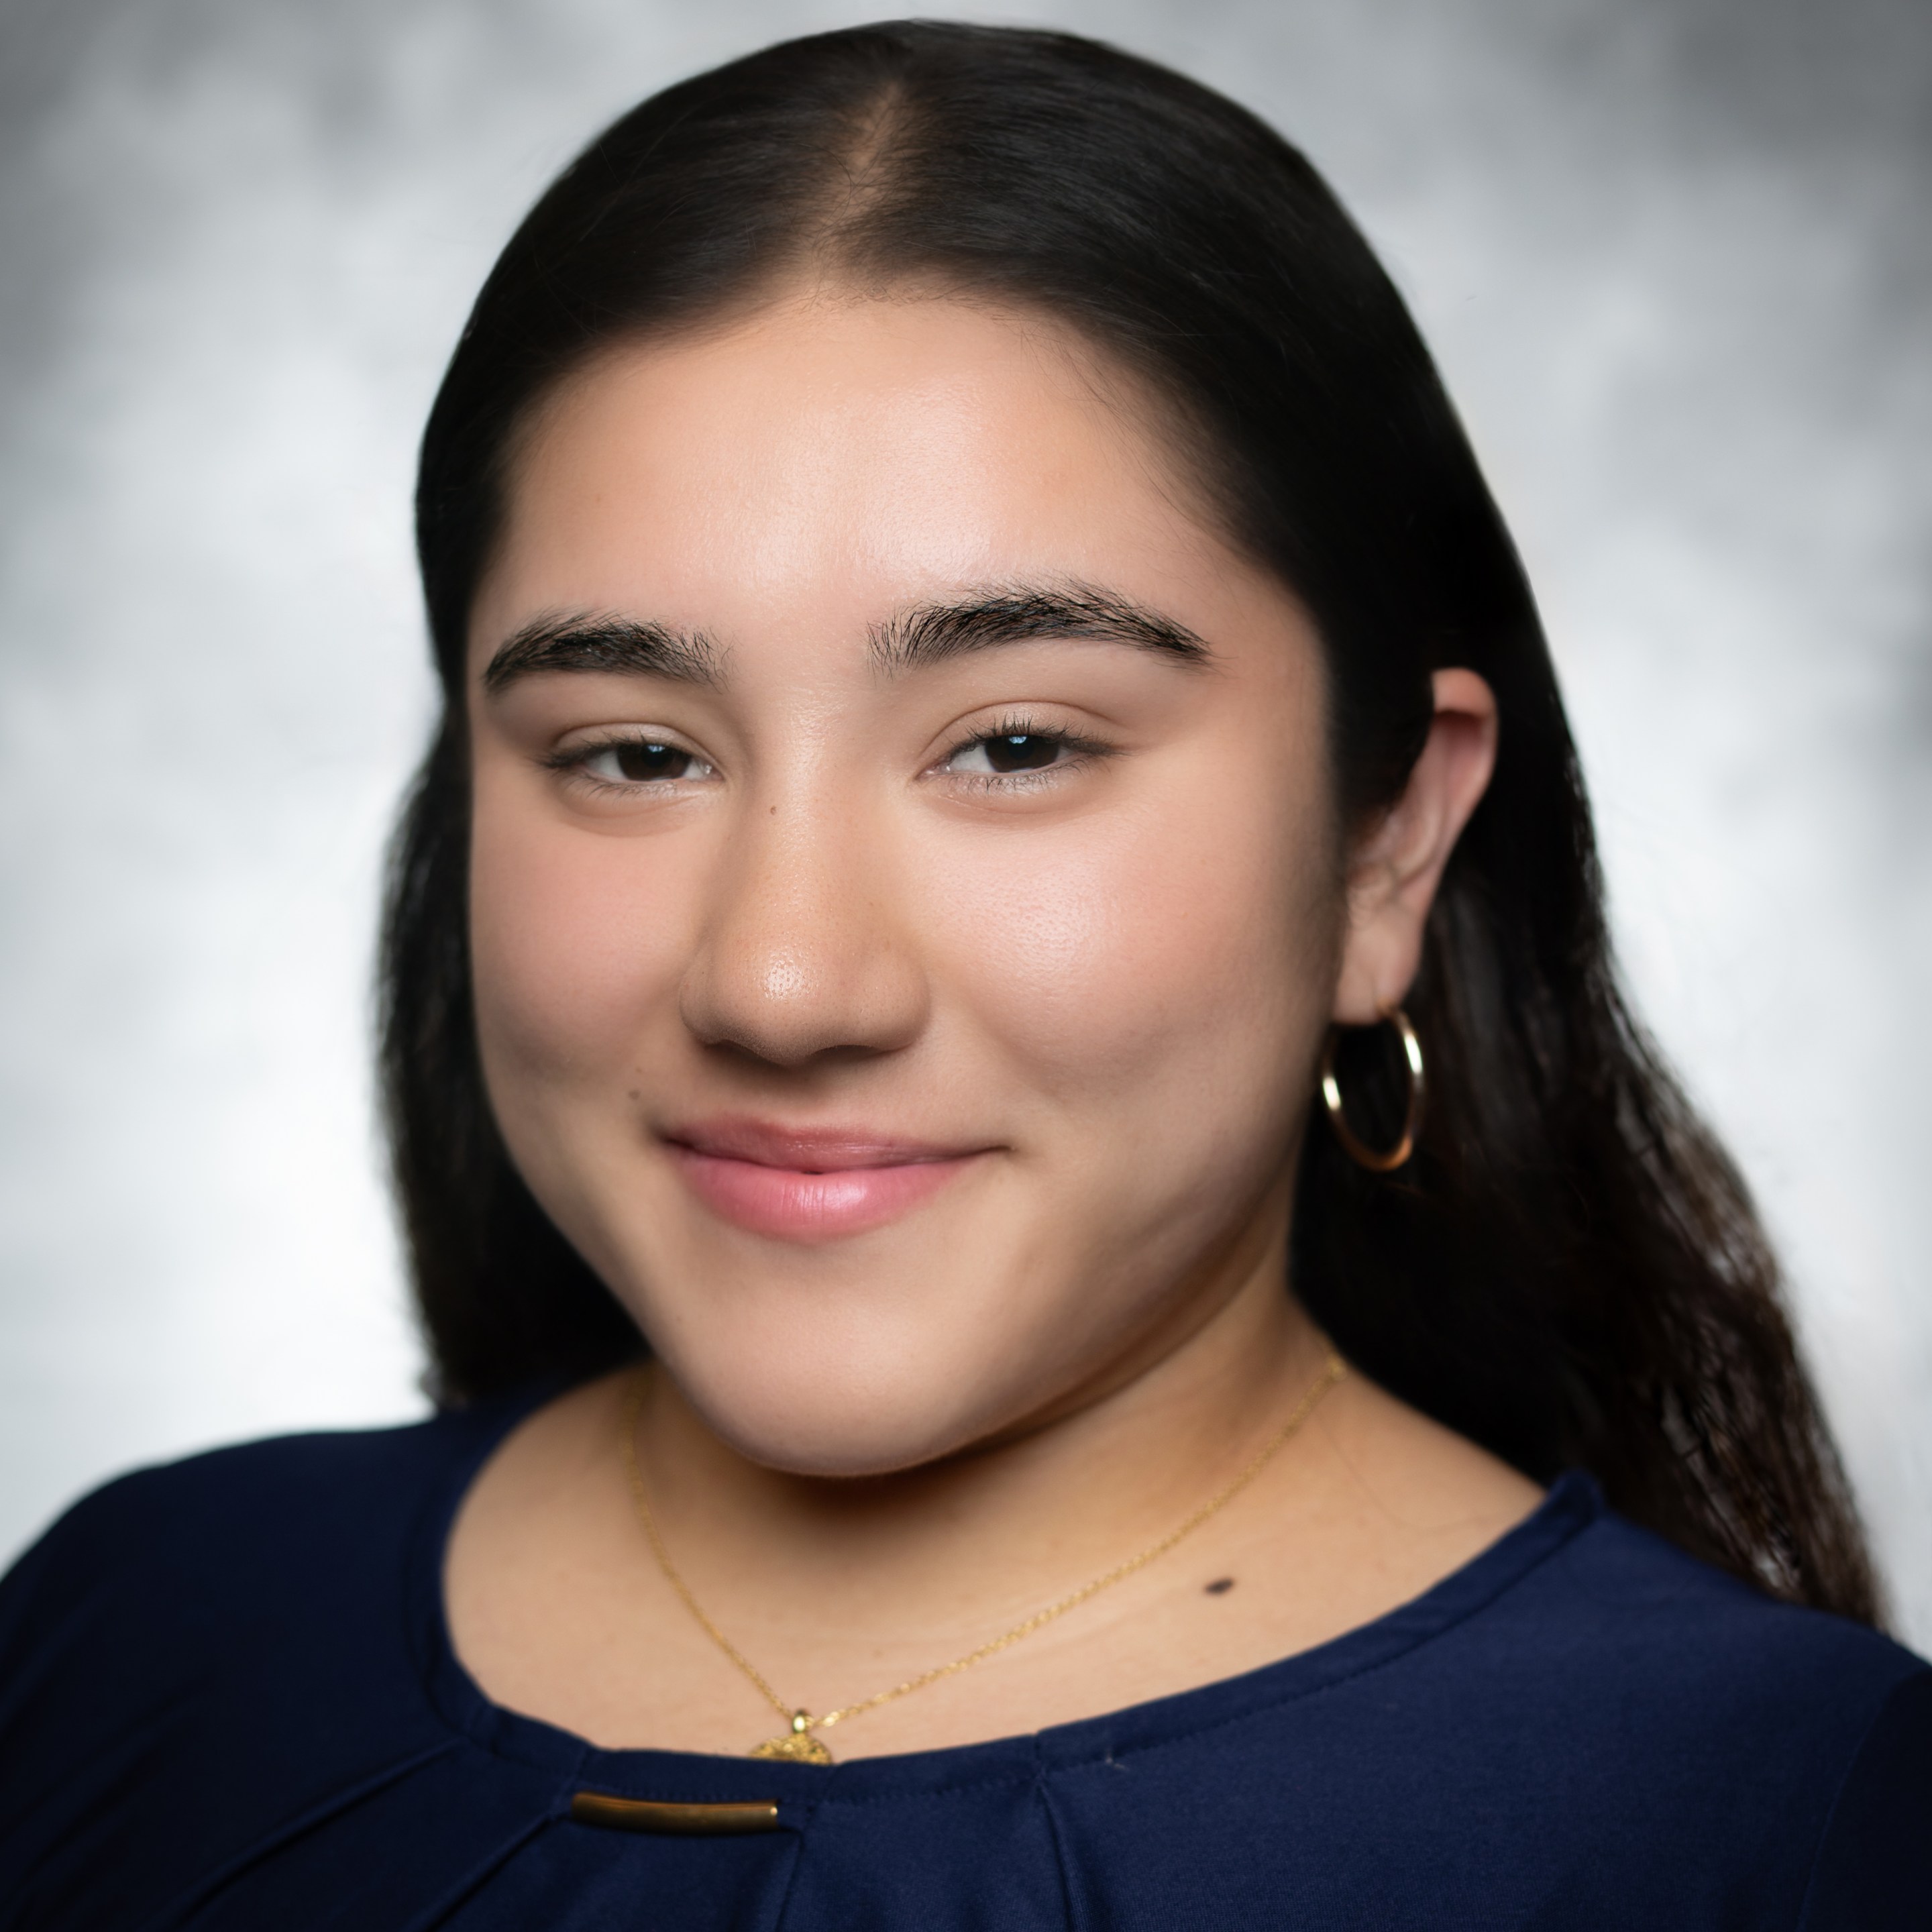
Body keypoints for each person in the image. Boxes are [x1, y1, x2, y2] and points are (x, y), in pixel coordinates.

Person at [1, 21, 1924, 1929]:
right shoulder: (134, 1631)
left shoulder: (1772, 1823)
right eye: (636, 755)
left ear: (1384, 844)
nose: (781, 983)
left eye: (1013, 746)